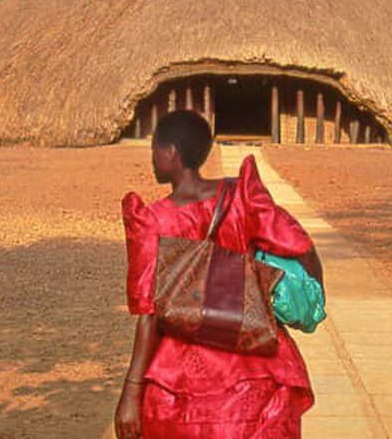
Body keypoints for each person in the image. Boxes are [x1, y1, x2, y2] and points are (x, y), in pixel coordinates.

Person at [115, 109, 322, 439]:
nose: (152, 159)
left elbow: (149, 314)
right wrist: (310, 298)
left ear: (171, 153)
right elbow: (301, 247)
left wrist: (131, 390)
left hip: (181, 376)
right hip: (257, 363)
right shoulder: (242, 197)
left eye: (155, 149)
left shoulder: (153, 221)